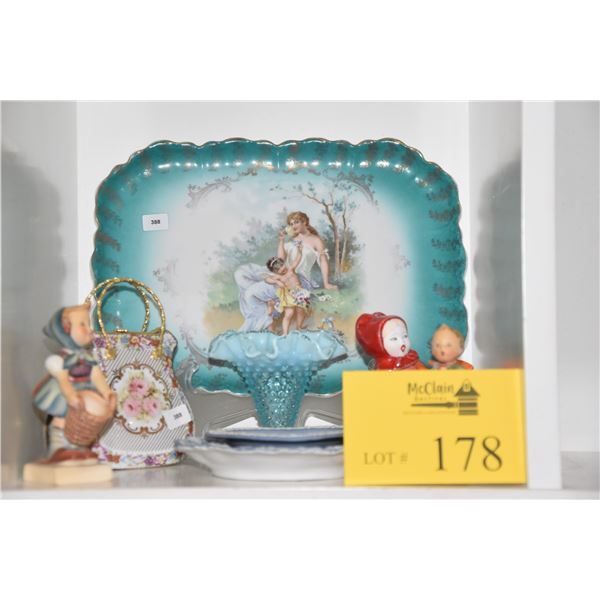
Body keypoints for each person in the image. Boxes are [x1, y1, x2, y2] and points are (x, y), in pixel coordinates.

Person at [32, 304, 116, 462]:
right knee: (62, 417)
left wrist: (107, 393)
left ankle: (79, 449)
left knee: (81, 422)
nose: (89, 330)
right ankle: (57, 448)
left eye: (88, 324)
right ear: (65, 330)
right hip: (64, 393)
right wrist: (70, 395)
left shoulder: (88, 357)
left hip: (84, 391)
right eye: (83, 324)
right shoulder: (59, 360)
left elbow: (96, 376)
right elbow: (63, 379)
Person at [264, 244, 311, 335]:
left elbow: (297, 260)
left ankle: (299, 327)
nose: (282, 269)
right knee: (289, 314)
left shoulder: (290, 269)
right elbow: (266, 279)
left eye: (282, 266)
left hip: (300, 293)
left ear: (284, 264)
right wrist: (277, 282)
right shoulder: (278, 277)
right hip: (289, 295)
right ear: (275, 271)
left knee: (301, 311)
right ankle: (285, 333)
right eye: (278, 269)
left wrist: (300, 251)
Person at [355, 312, 426, 370]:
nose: (402, 342)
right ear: (379, 345)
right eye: (394, 339)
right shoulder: (383, 369)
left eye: (405, 336)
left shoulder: (413, 359)